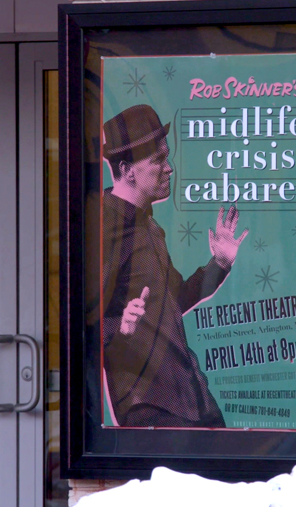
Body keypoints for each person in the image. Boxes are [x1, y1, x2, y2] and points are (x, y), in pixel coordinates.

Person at [101, 104, 248, 428]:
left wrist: (220, 262)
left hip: (189, 398)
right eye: (157, 160)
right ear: (127, 169)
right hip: (150, 407)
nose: (169, 169)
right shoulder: (105, 227)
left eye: (166, 158)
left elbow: (174, 300)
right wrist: (118, 327)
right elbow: (80, 322)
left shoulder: (148, 228)